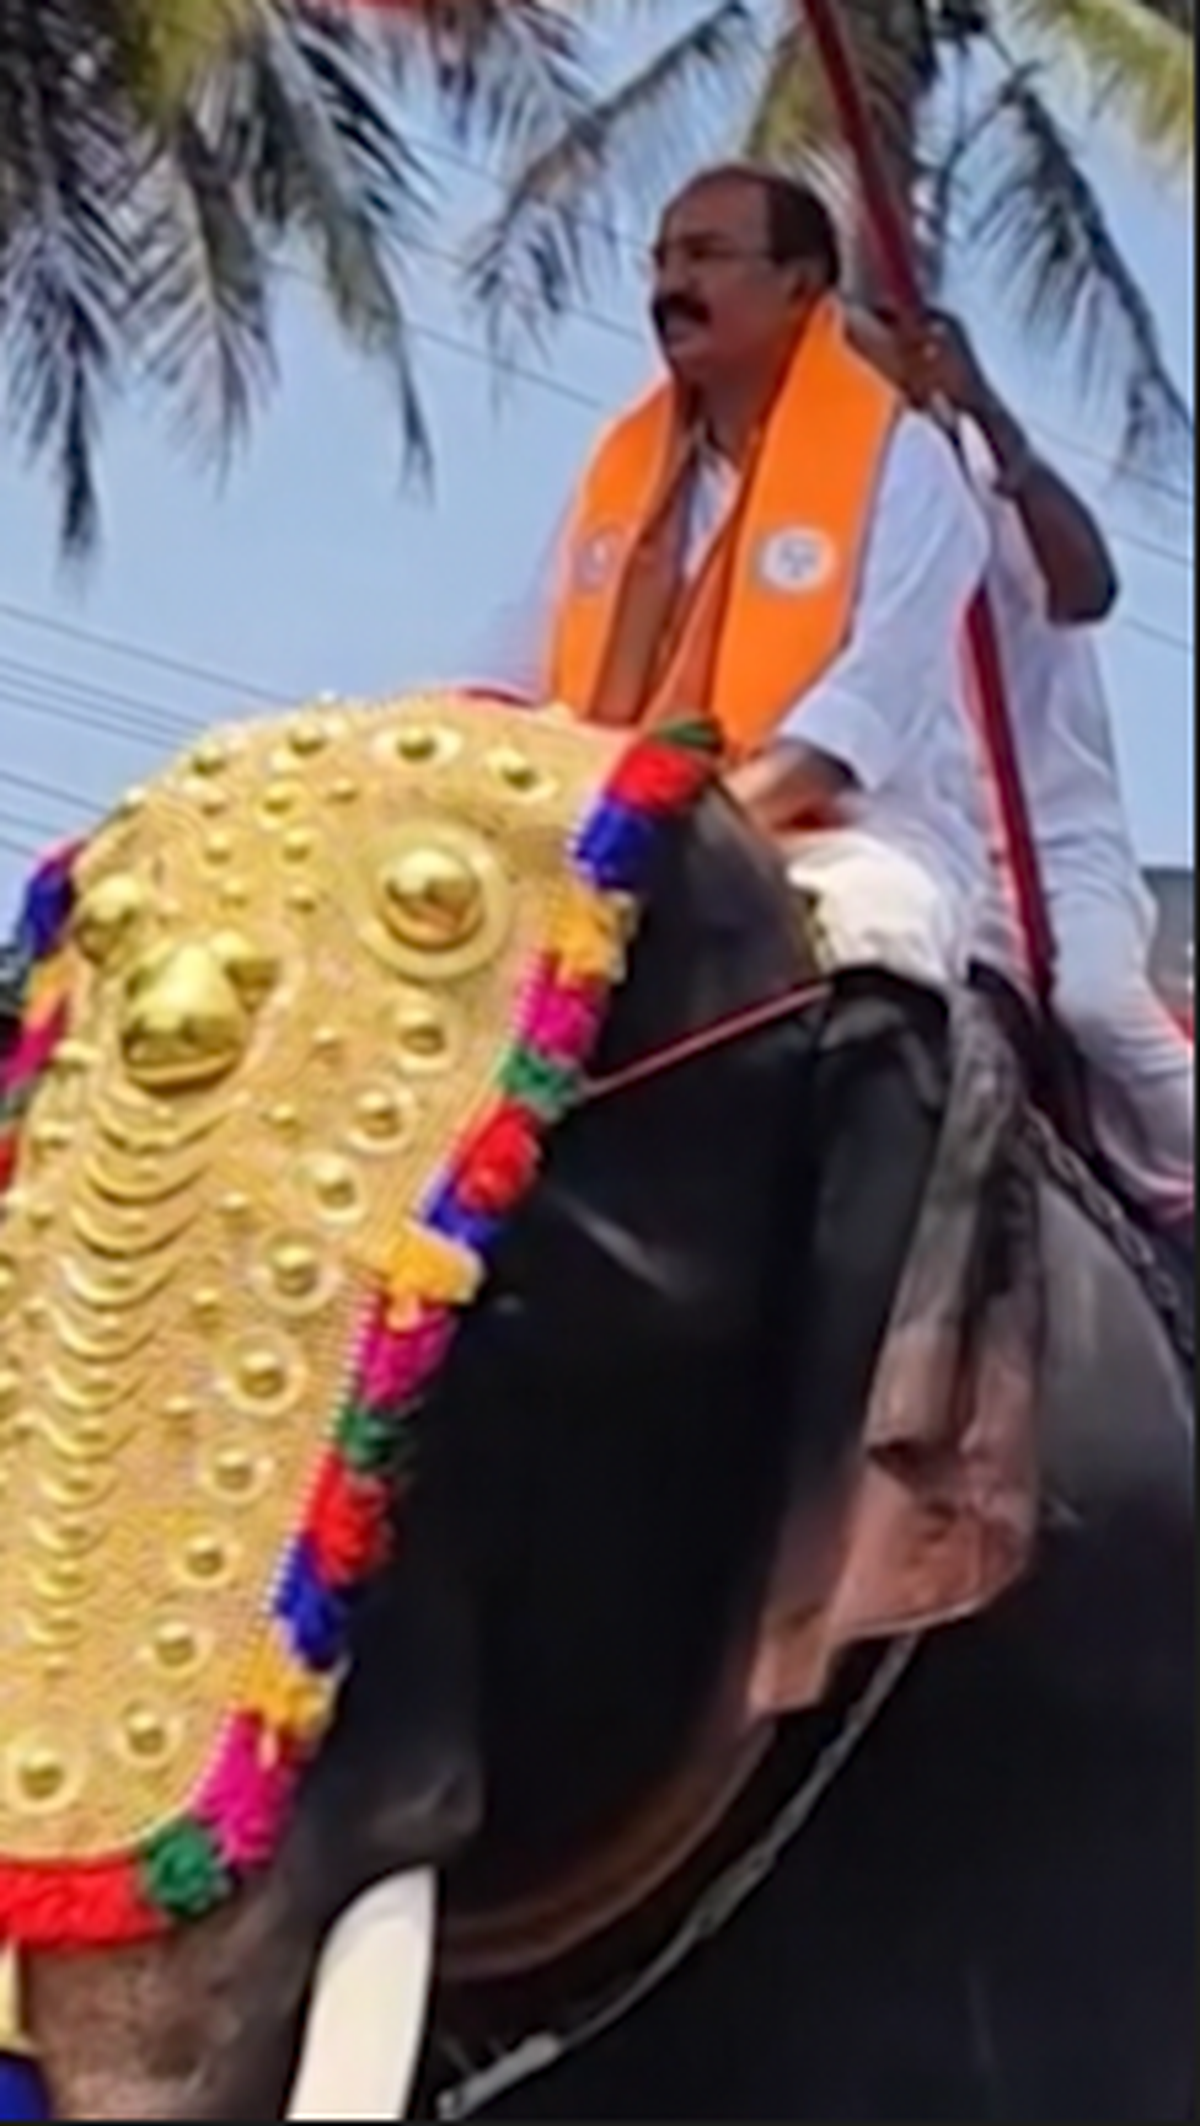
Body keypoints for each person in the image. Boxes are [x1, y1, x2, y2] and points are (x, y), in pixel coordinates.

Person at [469, 163, 992, 993]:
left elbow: (870, 702)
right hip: (603, 834)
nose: (671, 287)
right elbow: (519, 654)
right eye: (662, 261)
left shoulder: (904, 462)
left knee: (872, 927)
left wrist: (698, 835)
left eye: (706, 256)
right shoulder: (625, 468)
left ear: (798, 286)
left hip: (840, 835)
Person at [863, 308, 1194, 1240]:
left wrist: (987, 413)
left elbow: (1088, 589)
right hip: (936, 851)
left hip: (1053, 847)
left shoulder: (982, 480)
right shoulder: (828, 508)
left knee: (1095, 1004)